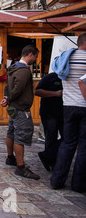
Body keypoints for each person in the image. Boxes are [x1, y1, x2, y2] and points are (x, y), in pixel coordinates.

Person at [51, 33, 86, 192]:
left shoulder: (65, 59)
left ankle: (57, 180)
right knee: (84, 146)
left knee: (67, 143)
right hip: (84, 105)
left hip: (68, 104)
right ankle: (78, 184)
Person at [0, 45, 40, 180]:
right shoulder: (24, 71)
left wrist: (6, 98)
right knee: (20, 135)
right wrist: (9, 98)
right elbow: (18, 89)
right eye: (35, 57)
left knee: (11, 132)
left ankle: (10, 157)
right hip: (21, 107)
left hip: (14, 106)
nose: (35, 60)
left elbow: (8, 87)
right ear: (30, 54)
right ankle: (21, 166)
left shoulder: (13, 68)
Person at [34, 72, 63, 172]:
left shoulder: (68, 78)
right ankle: (51, 162)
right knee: (51, 137)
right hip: (49, 112)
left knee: (67, 137)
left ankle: (47, 155)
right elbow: (37, 91)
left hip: (64, 113)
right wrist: (55, 94)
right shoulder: (50, 77)